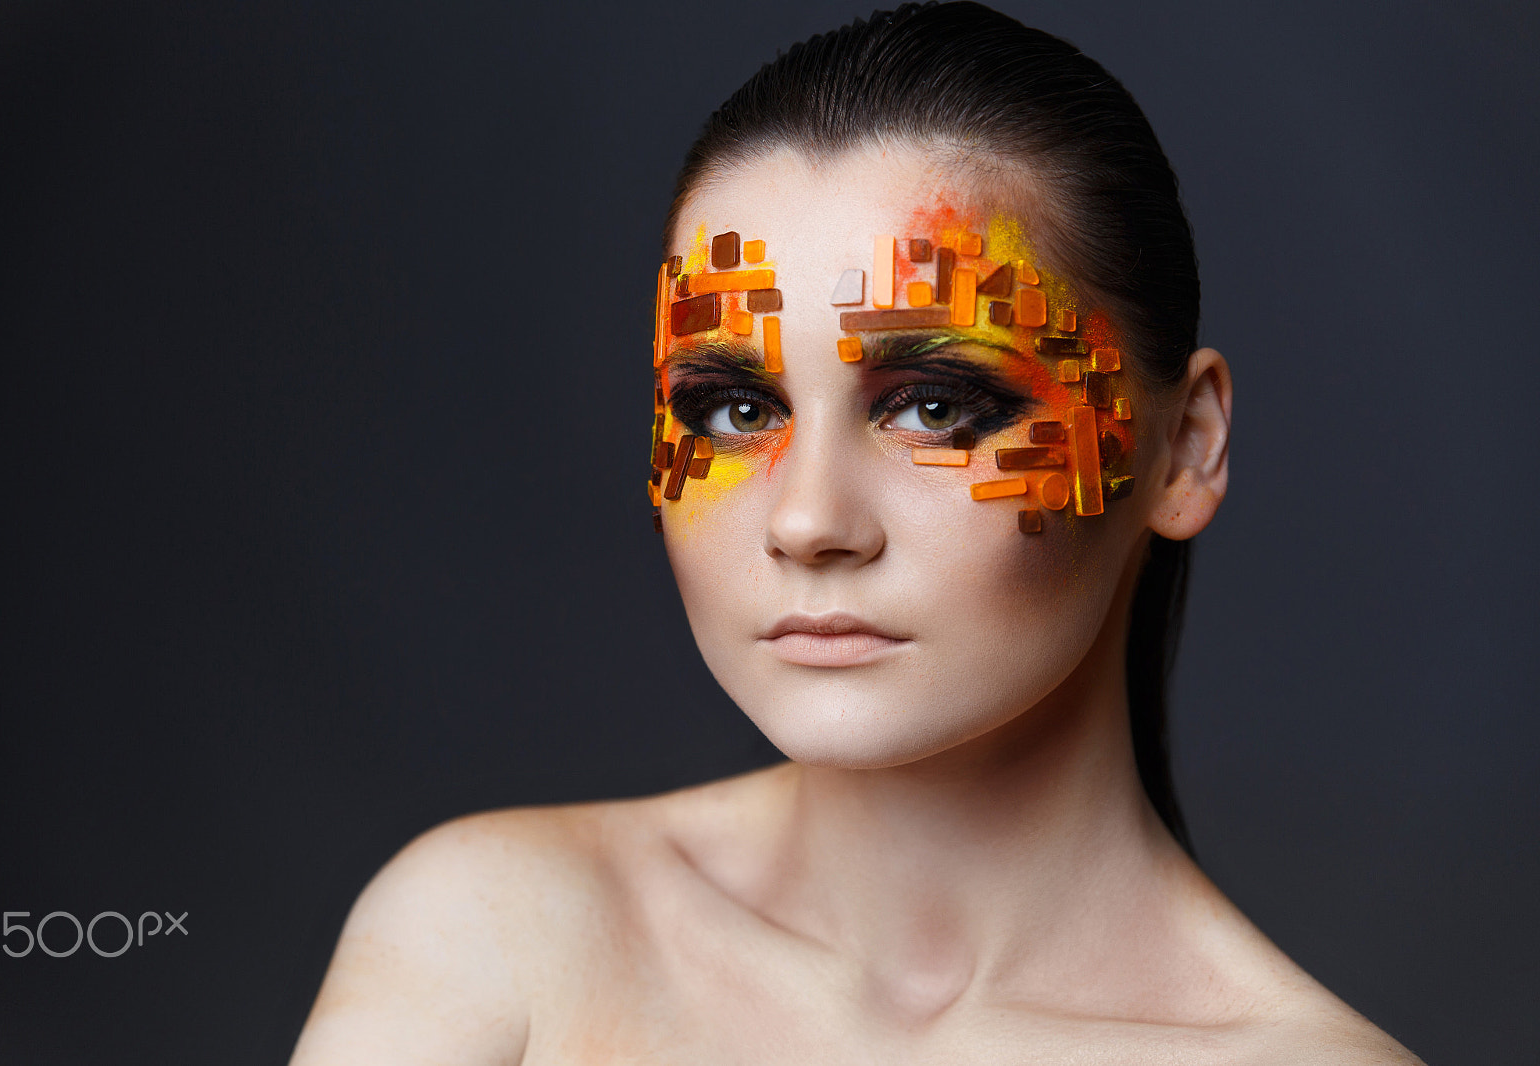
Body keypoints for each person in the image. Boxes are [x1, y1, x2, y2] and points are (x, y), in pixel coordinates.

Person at [290, 4, 1423, 1062]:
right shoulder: (494, 937)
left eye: (935, 405)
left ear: (1182, 448)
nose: (807, 520)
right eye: (735, 409)